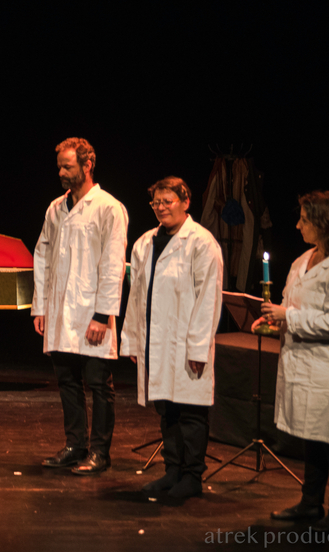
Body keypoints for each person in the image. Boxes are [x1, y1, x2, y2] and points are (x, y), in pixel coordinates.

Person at [256, 191, 329, 534]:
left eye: (304, 219)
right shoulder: (302, 260)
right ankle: (310, 503)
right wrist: (273, 324)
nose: (298, 224)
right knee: (312, 435)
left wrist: (286, 315)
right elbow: (291, 307)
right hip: (302, 361)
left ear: (324, 223)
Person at [120, 176, 223, 499]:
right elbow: (137, 296)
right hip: (155, 341)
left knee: (190, 410)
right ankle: (172, 471)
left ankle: (192, 477)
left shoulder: (201, 243)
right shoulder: (144, 243)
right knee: (166, 409)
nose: (161, 208)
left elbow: (208, 299)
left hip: (185, 343)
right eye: (156, 203)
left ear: (185, 202)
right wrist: (134, 340)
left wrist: (197, 347)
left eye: (168, 201)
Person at [33, 137, 128, 475]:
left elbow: (114, 263)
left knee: (99, 383)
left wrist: (102, 315)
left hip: (92, 312)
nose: (61, 172)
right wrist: (40, 307)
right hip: (61, 311)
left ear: (87, 166)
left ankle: (100, 452)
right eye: (59, 166)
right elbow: (42, 255)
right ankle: (76, 445)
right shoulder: (56, 208)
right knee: (67, 382)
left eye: (68, 166)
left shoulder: (108, 207)